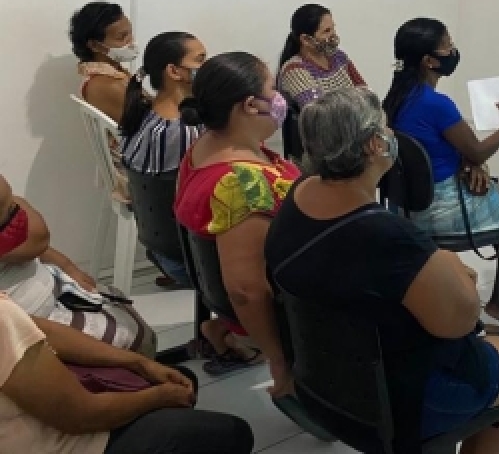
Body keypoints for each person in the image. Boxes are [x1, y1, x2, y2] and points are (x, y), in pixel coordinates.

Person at [266, 88, 499, 453]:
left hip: (322, 384)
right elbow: (460, 321)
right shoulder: (390, 239)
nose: (392, 135)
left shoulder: (298, 196)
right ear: (373, 146)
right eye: (385, 128)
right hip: (397, 403)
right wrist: (454, 271)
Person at [383, 18, 499, 341]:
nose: (453, 51)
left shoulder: (396, 99)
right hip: (445, 211)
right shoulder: (437, 104)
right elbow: (478, 151)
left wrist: (468, 164)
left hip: (410, 207)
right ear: (429, 60)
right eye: (448, 46)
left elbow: (442, 151)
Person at [0, 291, 255, 453]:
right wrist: (159, 397)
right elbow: (81, 416)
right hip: (60, 437)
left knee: (181, 378)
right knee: (232, 433)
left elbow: (41, 329)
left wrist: (138, 363)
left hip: (48, 421)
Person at [174, 52, 297, 387]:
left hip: (222, 298)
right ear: (249, 105)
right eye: (272, 89)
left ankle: (228, 332)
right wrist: (279, 361)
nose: (279, 99)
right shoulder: (244, 185)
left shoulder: (206, 147)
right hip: (285, 304)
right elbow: (246, 289)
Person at [0, 172, 157, 358]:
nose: (18, 211)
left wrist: (68, 267)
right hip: (35, 322)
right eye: (10, 211)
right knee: (131, 338)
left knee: (123, 313)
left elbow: (37, 246)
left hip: (51, 288)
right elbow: (38, 237)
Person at [120, 32, 207, 289]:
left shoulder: (143, 115)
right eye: (200, 60)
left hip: (159, 249)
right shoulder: (182, 130)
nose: (207, 67)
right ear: (174, 71)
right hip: (187, 258)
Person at [277, 4, 366, 109]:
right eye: (327, 31)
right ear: (306, 39)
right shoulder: (294, 70)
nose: (334, 35)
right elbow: (319, 115)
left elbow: (365, 93)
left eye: (333, 28)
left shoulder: (339, 57)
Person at [69, 2, 137, 124]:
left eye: (130, 33)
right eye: (122, 37)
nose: (131, 41)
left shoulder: (115, 74)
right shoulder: (107, 85)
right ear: (94, 45)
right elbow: (153, 127)